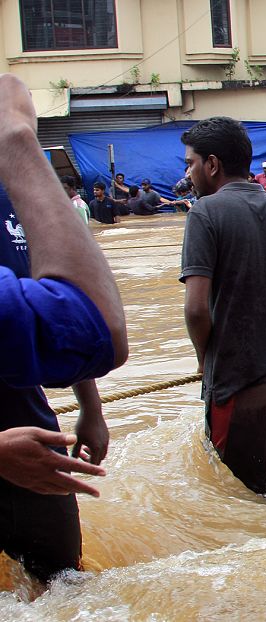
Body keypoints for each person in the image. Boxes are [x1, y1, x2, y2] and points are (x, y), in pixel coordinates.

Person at [0, 73, 128, 584]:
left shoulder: (17, 204)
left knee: (62, 589)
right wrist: (17, 139)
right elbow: (96, 317)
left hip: (31, 443)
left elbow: (54, 311)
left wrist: (91, 410)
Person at [179, 116, 266, 495]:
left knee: (247, 505)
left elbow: (196, 310)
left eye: (190, 163)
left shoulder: (204, 213)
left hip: (240, 385)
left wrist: (203, 357)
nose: (189, 174)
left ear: (212, 164)